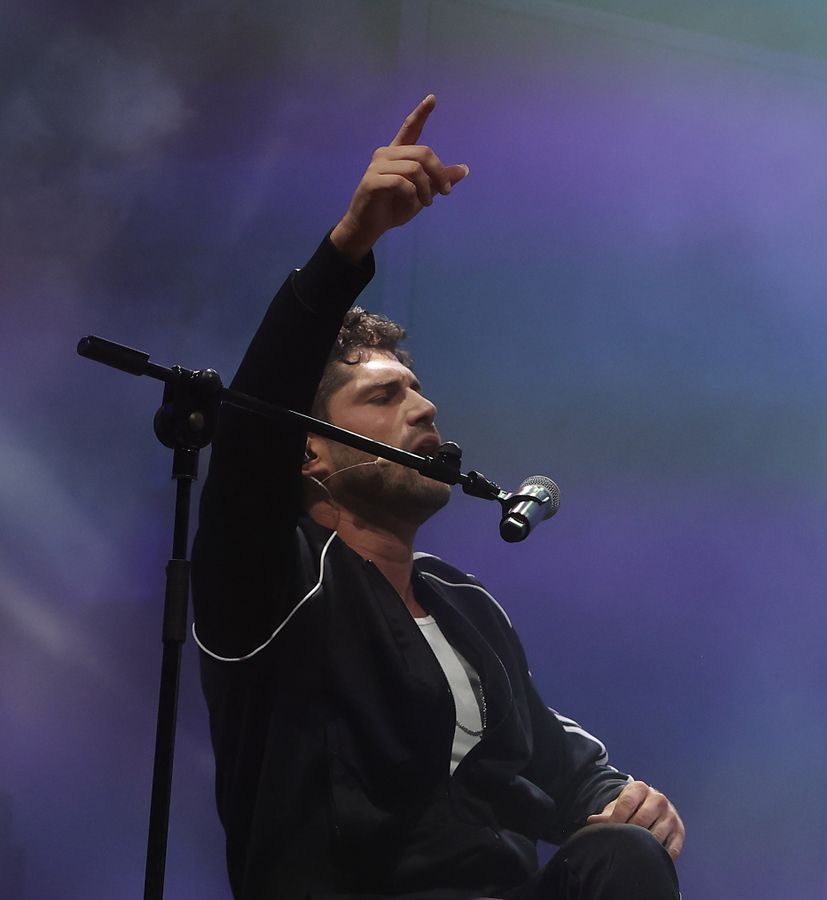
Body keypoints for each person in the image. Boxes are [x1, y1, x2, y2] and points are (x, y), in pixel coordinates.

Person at [191, 95, 684, 899]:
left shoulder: (463, 605)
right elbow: (249, 438)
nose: (423, 409)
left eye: (419, 392)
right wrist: (351, 243)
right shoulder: (272, 581)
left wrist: (620, 801)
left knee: (623, 857)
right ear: (308, 450)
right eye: (383, 399)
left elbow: (560, 763)